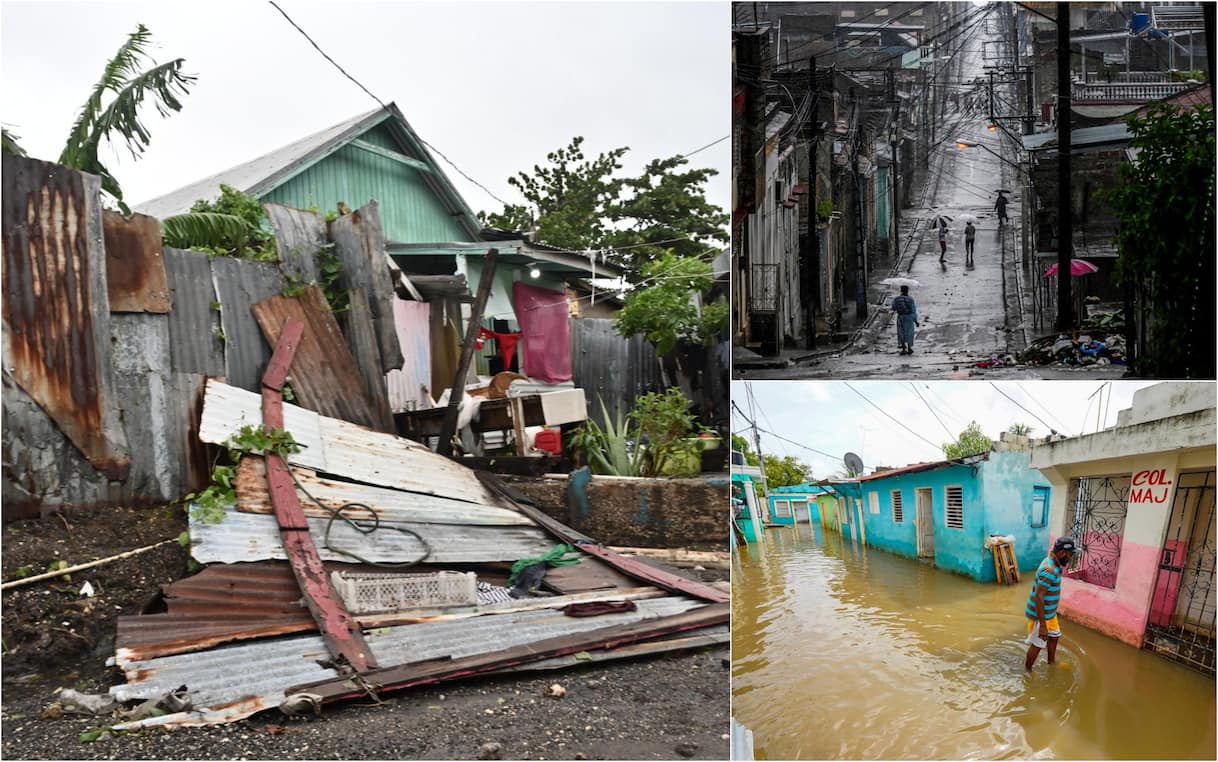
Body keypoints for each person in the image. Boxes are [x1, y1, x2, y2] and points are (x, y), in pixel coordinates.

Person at [1024, 536, 1076, 670]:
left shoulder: (1055, 563)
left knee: (1054, 636)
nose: (1070, 558)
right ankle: (1028, 671)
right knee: (1038, 644)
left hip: (1049, 613)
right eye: (1070, 555)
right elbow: (1039, 597)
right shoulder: (1049, 570)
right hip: (1040, 615)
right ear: (1062, 553)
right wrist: (1042, 625)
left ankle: (1051, 663)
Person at [891, 285, 919, 355]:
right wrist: (915, 321)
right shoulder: (910, 299)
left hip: (900, 317)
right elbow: (913, 310)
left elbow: (893, 308)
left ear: (901, 290)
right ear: (907, 291)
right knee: (909, 332)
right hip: (909, 317)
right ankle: (909, 348)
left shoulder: (896, 299)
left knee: (901, 332)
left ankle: (903, 348)